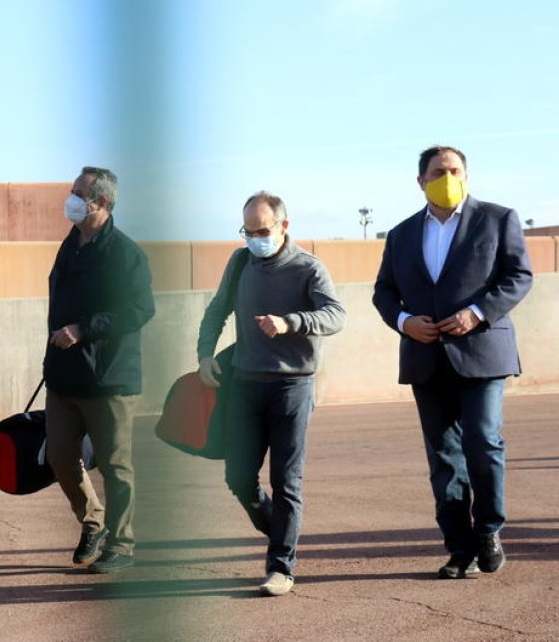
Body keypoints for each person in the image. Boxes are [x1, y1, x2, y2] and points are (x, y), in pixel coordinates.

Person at [373, 145, 532, 579]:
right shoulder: (402, 234)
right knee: (444, 456)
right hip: (426, 358)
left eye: (456, 170)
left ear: (467, 175)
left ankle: (489, 531)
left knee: (482, 441)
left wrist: (477, 313)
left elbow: (519, 276)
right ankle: (459, 548)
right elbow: (384, 293)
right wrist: (405, 322)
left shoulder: (498, 219)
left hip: (482, 352)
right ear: (421, 180)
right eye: (439, 171)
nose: (448, 177)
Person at [196, 192, 346, 596]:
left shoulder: (308, 268)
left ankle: (281, 566)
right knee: (238, 476)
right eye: (248, 231)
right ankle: (279, 529)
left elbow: (336, 315)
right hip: (245, 384)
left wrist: (290, 322)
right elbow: (217, 309)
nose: (255, 239)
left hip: (292, 386)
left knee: (287, 480)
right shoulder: (241, 261)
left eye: (263, 231)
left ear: (284, 226)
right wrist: (204, 354)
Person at [44, 166, 154, 574]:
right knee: (59, 456)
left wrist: (83, 330)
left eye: (78, 193)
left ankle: (122, 543)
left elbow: (141, 309)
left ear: (101, 202)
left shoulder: (126, 254)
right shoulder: (69, 246)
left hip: (110, 380)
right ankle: (94, 523)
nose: (70, 198)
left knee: (115, 464)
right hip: (64, 376)